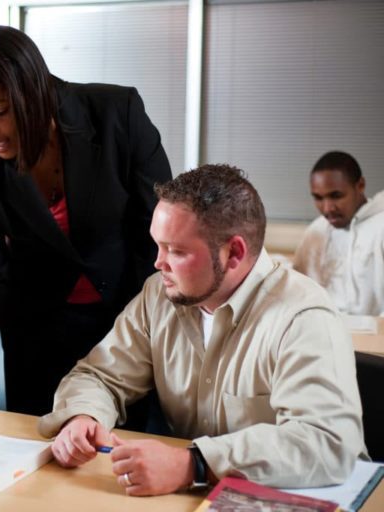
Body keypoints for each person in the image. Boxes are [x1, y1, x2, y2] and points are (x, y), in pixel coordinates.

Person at [38, 164, 366, 496]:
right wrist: (84, 416)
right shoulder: (160, 294)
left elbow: (327, 442)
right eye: (158, 245)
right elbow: (100, 376)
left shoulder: (303, 315)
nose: (158, 262)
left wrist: (192, 464)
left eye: (176, 251)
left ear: (234, 253)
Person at [0, 26, 172, 415]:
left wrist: (147, 326)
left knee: (123, 455)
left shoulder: (116, 114)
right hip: (37, 333)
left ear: (33, 93)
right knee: (38, 452)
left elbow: (158, 232)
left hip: (128, 324)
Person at [293, 151, 384, 315]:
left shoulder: (380, 228)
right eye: (318, 198)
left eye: (336, 196)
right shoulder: (317, 230)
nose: (327, 208)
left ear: (360, 185)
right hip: (324, 331)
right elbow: (299, 292)